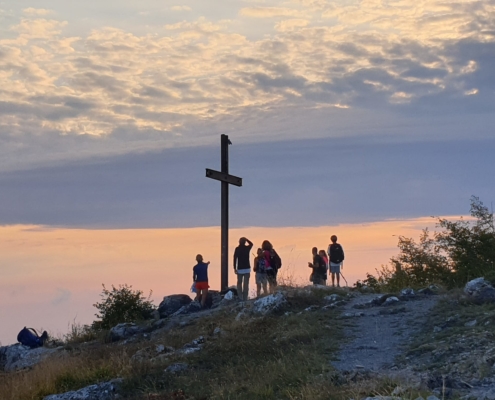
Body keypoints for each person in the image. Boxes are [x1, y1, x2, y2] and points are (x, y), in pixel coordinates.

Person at [233, 237, 254, 301]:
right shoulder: (247, 248)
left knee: (239, 284)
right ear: (245, 242)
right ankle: (245, 298)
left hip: (240, 268)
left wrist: (234, 267)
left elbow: (235, 258)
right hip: (247, 268)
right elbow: (251, 244)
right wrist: (247, 239)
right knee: (246, 284)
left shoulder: (237, 249)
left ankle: (240, 297)